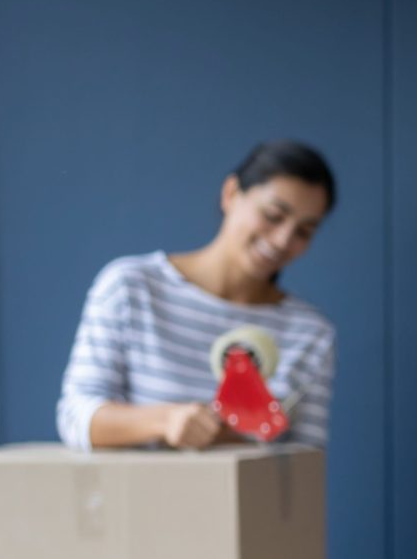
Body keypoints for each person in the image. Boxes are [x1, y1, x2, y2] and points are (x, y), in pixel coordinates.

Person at [57, 139, 339, 451]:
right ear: (231, 193)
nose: (283, 239)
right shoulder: (131, 287)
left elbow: (306, 463)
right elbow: (75, 417)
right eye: (273, 215)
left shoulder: (311, 333)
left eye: (304, 231)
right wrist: (167, 421)